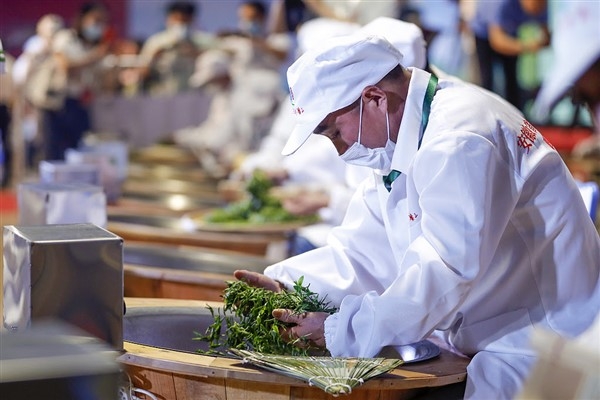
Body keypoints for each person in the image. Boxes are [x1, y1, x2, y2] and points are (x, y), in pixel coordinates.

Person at [234, 34, 600, 399]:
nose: (340, 148)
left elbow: (444, 269)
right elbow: (365, 251)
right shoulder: (404, 141)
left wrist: (342, 330)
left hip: (548, 343)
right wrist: (290, 288)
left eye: (334, 132)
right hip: (496, 330)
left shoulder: (459, 136)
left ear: (374, 98)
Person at [43, 2, 111, 161]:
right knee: (57, 154)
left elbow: (101, 83)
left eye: (103, 21)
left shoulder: (95, 46)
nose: (99, 25)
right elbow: (65, 66)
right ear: (82, 19)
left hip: (81, 105)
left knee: (80, 152)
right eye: (95, 19)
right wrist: (94, 57)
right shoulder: (66, 38)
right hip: (59, 104)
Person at [470, 0, 549, 110]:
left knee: (512, 82)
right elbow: (497, 42)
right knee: (487, 81)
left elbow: (546, 35)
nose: (539, 10)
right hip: (484, 34)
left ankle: (516, 116)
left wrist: (542, 42)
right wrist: (527, 46)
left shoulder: (540, 5)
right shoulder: (502, 4)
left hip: (510, 31)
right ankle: (486, 114)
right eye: (536, 5)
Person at [139, 1, 216, 96]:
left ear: (192, 19)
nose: (179, 23)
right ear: (168, 19)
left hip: (196, 96)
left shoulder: (206, 40)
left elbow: (216, 70)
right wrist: (156, 55)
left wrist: (196, 53)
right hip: (162, 95)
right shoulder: (156, 41)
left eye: (184, 20)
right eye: (175, 19)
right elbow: (142, 72)